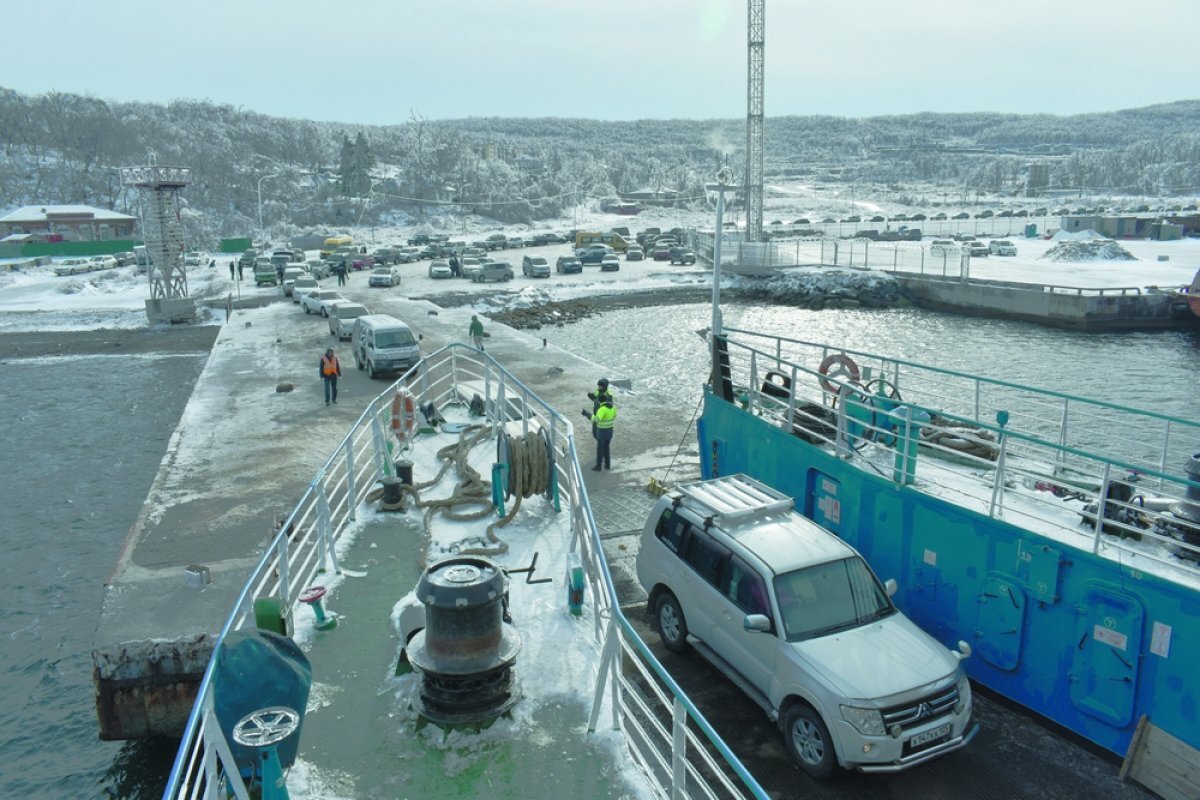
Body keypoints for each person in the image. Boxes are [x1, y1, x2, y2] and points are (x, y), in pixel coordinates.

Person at [582, 397, 615, 471]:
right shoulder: (613, 408)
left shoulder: (602, 409)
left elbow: (596, 419)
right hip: (609, 431)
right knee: (606, 448)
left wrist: (587, 414)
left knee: (600, 449)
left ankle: (599, 466)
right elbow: (614, 416)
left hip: (602, 432)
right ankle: (607, 465)